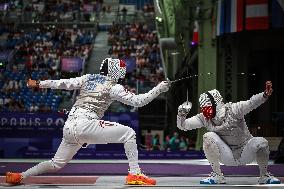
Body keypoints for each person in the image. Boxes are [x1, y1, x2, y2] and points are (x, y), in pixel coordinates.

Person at [6, 58, 170, 185]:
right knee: (129, 133)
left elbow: (64, 83)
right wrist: (159, 88)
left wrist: (40, 83)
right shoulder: (114, 87)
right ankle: (135, 173)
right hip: (85, 124)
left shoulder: (88, 78)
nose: (122, 74)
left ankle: (21, 175)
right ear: (115, 71)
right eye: (121, 71)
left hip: (69, 127)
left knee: (55, 164)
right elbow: (138, 101)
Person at [176, 81, 281, 184]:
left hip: (246, 152)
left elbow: (251, 103)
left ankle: (264, 175)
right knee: (208, 137)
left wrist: (264, 95)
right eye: (203, 108)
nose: (205, 111)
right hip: (227, 155)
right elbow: (184, 126)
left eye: (207, 108)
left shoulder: (234, 109)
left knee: (261, 142)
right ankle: (217, 175)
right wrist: (181, 114)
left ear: (215, 105)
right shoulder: (204, 118)